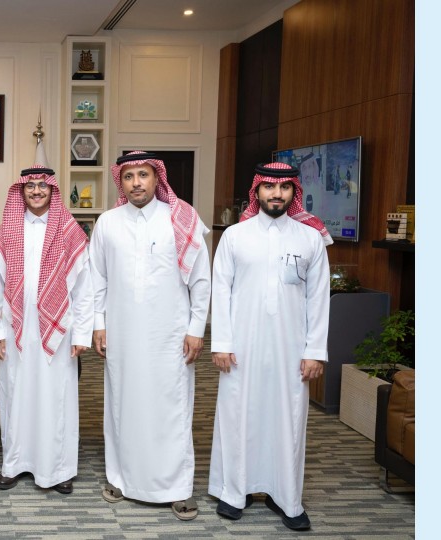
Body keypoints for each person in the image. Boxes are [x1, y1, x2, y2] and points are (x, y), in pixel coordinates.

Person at [208, 162, 332, 531]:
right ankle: (235, 492)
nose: (276, 194)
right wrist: (222, 342)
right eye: (269, 187)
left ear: (294, 192)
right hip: (241, 345)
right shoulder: (235, 236)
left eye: (284, 188)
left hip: (290, 346)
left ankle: (287, 497)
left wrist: (314, 350)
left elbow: (319, 298)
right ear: (257, 191)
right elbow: (221, 291)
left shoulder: (310, 239)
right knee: (238, 414)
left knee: (288, 417)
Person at [89, 151, 211, 521]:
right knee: (122, 404)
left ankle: (177, 489)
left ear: (157, 179)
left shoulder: (182, 218)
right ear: (121, 182)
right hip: (122, 333)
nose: (136, 183)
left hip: (169, 335)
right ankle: (121, 480)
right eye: (129, 177)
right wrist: (98, 323)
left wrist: (196, 328)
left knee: (171, 408)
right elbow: (97, 279)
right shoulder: (107, 223)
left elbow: (201, 280)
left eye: (143, 175)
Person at [0, 166, 92, 495]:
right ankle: (14, 464)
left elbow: (83, 288)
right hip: (14, 326)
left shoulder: (70, 232)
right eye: (29, 186)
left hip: (59, 328)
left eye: (42, 186)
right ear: (21, 191)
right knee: (16, 394)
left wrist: (81, 334)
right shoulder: (6, 232)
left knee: (56, 397)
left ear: (52, 191)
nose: (35, 191)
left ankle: (59, 469)